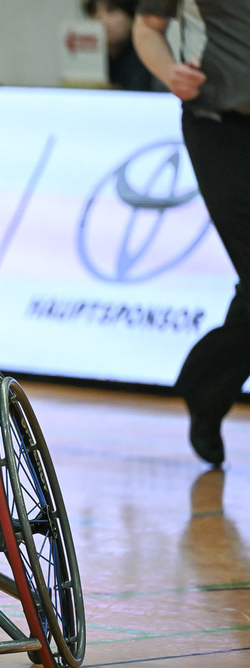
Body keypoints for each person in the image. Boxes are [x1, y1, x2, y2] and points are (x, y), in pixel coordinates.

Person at [133, 2, 250, 466]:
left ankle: (205, 382)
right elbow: (148, 27)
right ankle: (205, 383)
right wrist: (170, 73)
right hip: (219, 125)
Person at [83, 0, 164, 92]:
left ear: (131, 17)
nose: (101, 20)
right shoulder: (90, 57)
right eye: (94, 13)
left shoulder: (145, 57)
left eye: (111, 11)